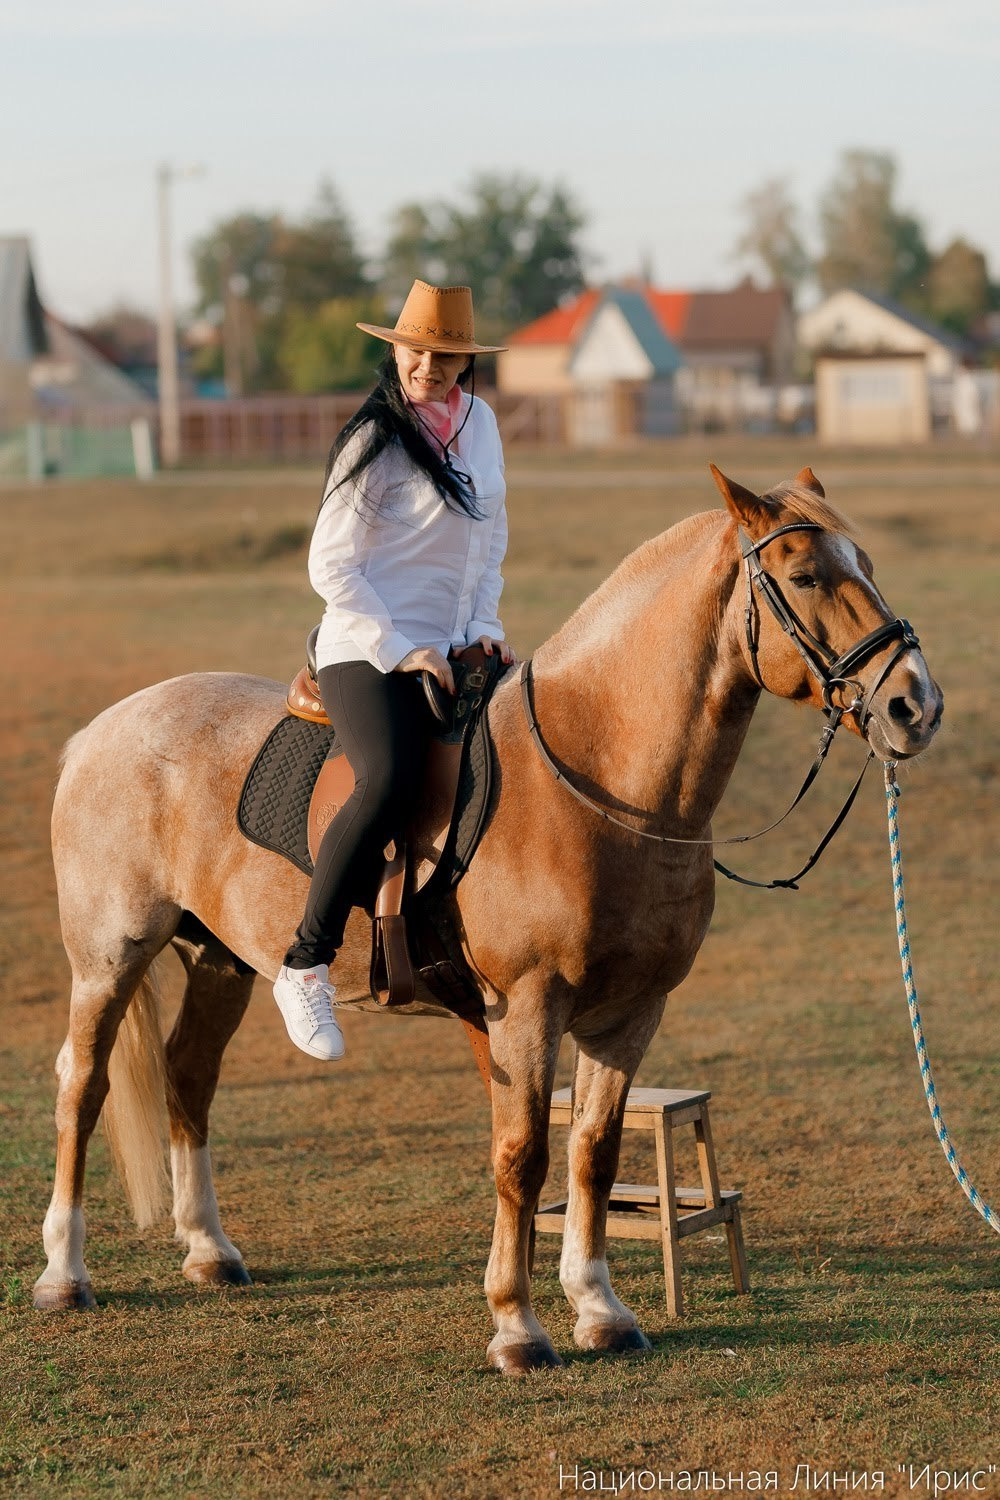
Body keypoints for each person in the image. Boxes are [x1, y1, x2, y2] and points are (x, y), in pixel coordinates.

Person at [273, 280, 518, 1061]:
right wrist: (398, 647)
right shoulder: (374, 438)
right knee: (386, 776)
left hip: (452, 641)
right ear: (395, 350)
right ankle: (305, 963)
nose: (428, 366)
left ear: (464, 363)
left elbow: (489, 540)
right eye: (416, 350)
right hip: (363, 642)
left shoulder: (479, 426)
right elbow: (331, 564)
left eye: (445, 356)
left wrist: (483, 629)